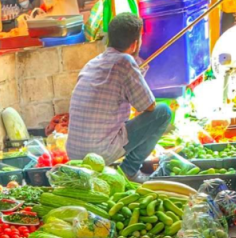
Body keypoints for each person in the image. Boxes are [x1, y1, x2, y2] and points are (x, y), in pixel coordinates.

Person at [65, 12, 172, 181]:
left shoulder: (92, 63)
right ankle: (129, 170)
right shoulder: (125, 62)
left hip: (74, 153)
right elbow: (149, 106)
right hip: (99, 153)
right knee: (163, 112)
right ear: (135, 43)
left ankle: (122, 168)